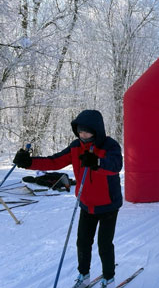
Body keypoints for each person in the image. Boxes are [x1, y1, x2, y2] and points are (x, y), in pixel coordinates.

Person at [13, 110, 122, 288]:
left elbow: (116, 166)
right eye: (80, 131)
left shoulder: (110, 146)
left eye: (87, 131)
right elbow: (54, 162)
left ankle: (109, 278)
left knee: (104, 244)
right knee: (83, 242)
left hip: (108, 205)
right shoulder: (75, 146)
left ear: (97, 130)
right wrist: (29, 163)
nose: (83, 135)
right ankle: (84, 275)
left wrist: (97, 162)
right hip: (86, 204)